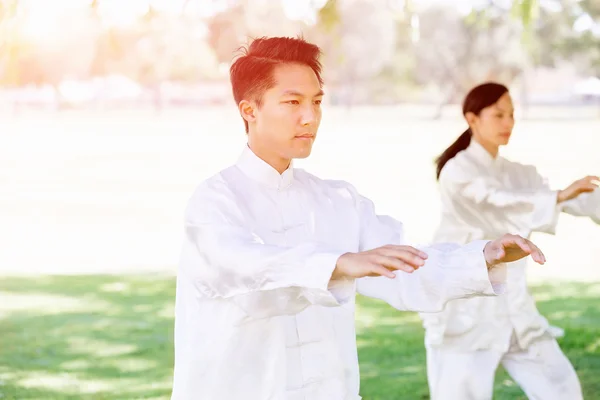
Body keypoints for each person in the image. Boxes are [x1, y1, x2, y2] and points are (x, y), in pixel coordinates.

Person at [170, 38, 546, 400]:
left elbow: (404, 267)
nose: (310, 116)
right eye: (292, 101)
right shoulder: (214, 201)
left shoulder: (338, 200)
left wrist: (482, 257)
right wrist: (339, 263)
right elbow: (246, 271)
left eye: (317, 101)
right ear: (249, 110)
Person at [421, 82, 599, 400]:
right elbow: (497, 200)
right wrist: (557, 196)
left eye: (512, 115)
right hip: (467, 308)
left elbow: (570, 200)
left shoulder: (518, 172)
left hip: (514, 306)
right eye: (499, 114)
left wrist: (571, 198)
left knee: (561, 388)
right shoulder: (456, 172)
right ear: (472, 118)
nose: (508, 123)